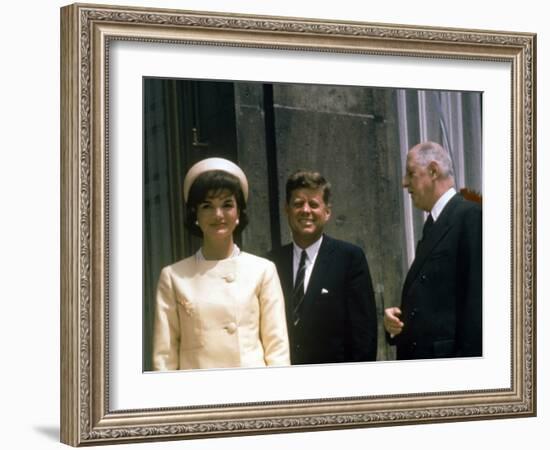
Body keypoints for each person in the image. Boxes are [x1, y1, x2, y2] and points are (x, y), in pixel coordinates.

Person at [153, 158, 290, 371]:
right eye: (207, 206)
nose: (218, 215)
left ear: (238, 214)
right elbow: (164, 357)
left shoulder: (262, 270)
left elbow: (277, 348)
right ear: (195, 215)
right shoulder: (173, 276)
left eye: (227, 205)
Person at [384, 141, 482, 360]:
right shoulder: (434, 224)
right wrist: (397, 322)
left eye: (410, 173)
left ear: (433, 171)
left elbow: (477, 306)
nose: (404, 183)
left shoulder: (470, 217)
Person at [268, 170, 377, 365]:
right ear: (287, 209)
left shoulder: (349, 259)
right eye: (298, 204)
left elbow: (364, 335)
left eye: (314, 204)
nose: (306, 210)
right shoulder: (271, 263)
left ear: (327, 212)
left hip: (334, 383)